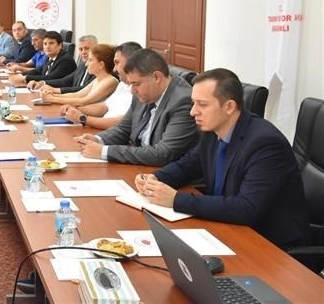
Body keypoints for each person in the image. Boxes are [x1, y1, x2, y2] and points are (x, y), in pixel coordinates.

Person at [133, 68, 308, 250]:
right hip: (225, 229)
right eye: (193, 103)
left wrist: (176, 199)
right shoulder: (213, 130)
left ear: (229, 107)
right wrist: (155, 179)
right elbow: (187, 166)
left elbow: (246, 208)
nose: (193, 112)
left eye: (202, 104)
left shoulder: (265, 143)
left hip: (269, 245)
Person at [74, 48, 199, 166]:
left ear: (157, 77)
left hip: (164, 172)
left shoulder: (183, 101)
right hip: (140, 164)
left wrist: (104, 151)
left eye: (136, 84)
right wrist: (98, 139)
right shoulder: (144, 92)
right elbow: (124, 129)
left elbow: (164, 153)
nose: (132, 90)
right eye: (131, 84)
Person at [59, 42, 142, 130]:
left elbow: (121, 123)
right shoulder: (123, 84)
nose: (114, 69)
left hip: (110, 131)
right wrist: (77, 110)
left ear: (131, 63)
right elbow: (104, 107)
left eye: (117, 63)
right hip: (103, 130)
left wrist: (82, 118)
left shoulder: (139, 91)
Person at [41, 44, 118, 107]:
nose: (86, 64)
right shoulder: (98, 79)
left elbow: (83, 101)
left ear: (101, 64)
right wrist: (52, 95)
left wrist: (52, 99)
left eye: (90, 60)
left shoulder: (111, 81)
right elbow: (78, 94)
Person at [9, 31, 75, 86]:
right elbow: (38, 70)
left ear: (60, 45)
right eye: (45, 44)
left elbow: (51, 77)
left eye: (51, 43)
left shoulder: (66, 60)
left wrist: (25, 78)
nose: (47, 47)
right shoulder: (49, 57)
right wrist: (20, 75)